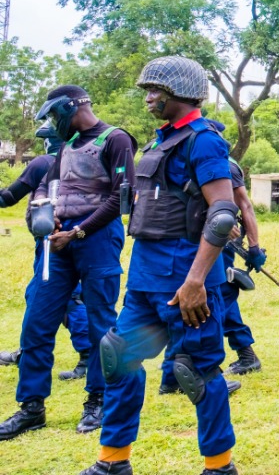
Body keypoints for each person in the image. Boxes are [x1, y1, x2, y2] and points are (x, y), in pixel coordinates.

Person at [79, 56, 240, 475]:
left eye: (156, 90)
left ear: (180, 93)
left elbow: (222, 213)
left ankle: (219, 466)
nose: (148, 97)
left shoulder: (203, 140)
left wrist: (196, 281)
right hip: (145, 278)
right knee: (118, 358)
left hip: (186, 280)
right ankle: (113, 461)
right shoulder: (160, 140)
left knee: (196, 372)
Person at [0, 87, 136, 441]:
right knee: (37, 323)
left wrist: (77, 232)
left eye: (53, 115)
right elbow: (48, 187)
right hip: (56, 245)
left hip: (97, 242)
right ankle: (31, 408)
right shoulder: (67, 147)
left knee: (100, 326)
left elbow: (121, 200)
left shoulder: (115, 139)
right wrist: (43, 211)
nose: (52, 123)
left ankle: (98, 400)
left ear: (70, 108)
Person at [160, 120, 260, 397]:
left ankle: (245, 354)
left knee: (218, 301)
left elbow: (244, 206)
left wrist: (254, 246)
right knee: (181, 302)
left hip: (219, 246)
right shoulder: (181, 157)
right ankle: (171, 375)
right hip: (191, 243)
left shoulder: (225, 165)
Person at [0, 125, 93, 380]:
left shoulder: (43, 162)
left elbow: (9, 197)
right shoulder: (84, 159)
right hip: (76, 237)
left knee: (66, 300)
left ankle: (87, 356)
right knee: (42, 298)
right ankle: (27, 352)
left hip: (52, 242)